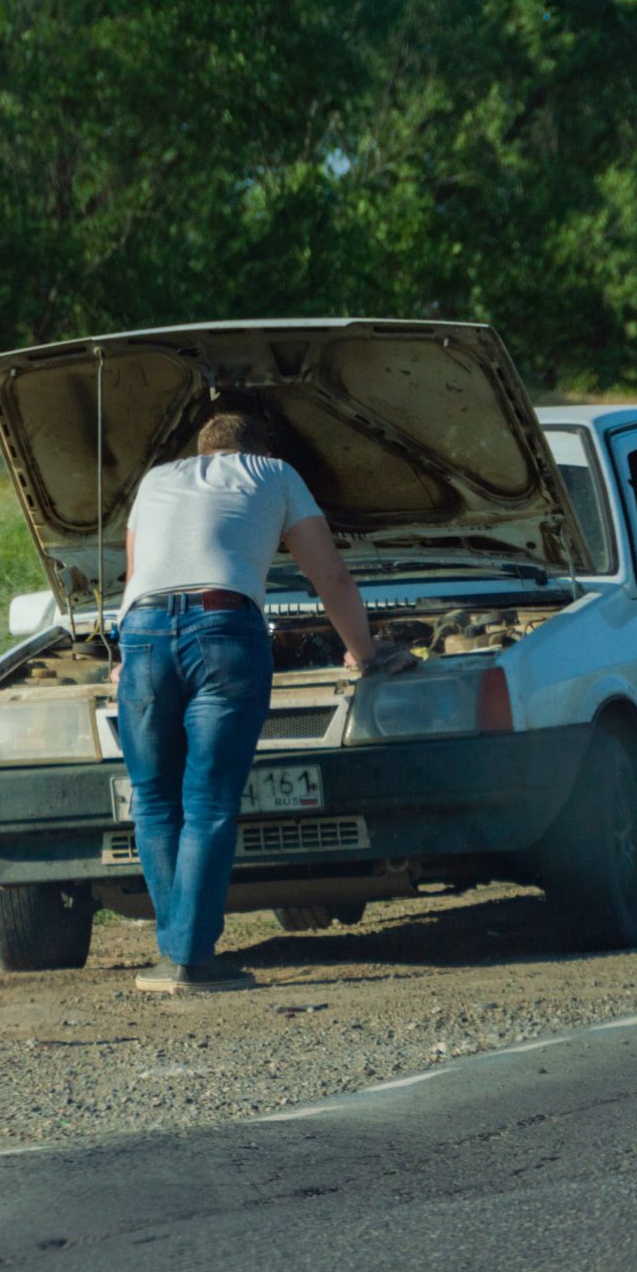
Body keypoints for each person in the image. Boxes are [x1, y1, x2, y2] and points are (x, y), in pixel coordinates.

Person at [113, 410, 396, 994]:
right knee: (209, 800)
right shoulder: (275, 473)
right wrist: (363, 653)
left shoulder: (156, 480)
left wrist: (125, 653)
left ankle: (177, 953)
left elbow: (136, 576)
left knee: (153, 797)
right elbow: (332, 578)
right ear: (259, 447)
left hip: (141, 634)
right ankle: (192, 958)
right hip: (222, 629)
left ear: (201, 449)